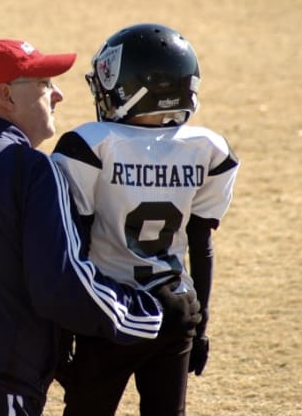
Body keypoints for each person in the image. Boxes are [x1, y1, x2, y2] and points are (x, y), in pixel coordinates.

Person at [0, 38, 201, 416]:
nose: (57, 94)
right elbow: (61, 287)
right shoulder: (31, 168)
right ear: (6, 95)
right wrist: (150, 313)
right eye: (44, 83)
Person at [51, 23, 240, 416]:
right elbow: (201, 243)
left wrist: (62, 330)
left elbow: (74, 244)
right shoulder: (208, 148)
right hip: (176, 307)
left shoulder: (89, 145)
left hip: (110, 311)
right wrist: (200, 323)